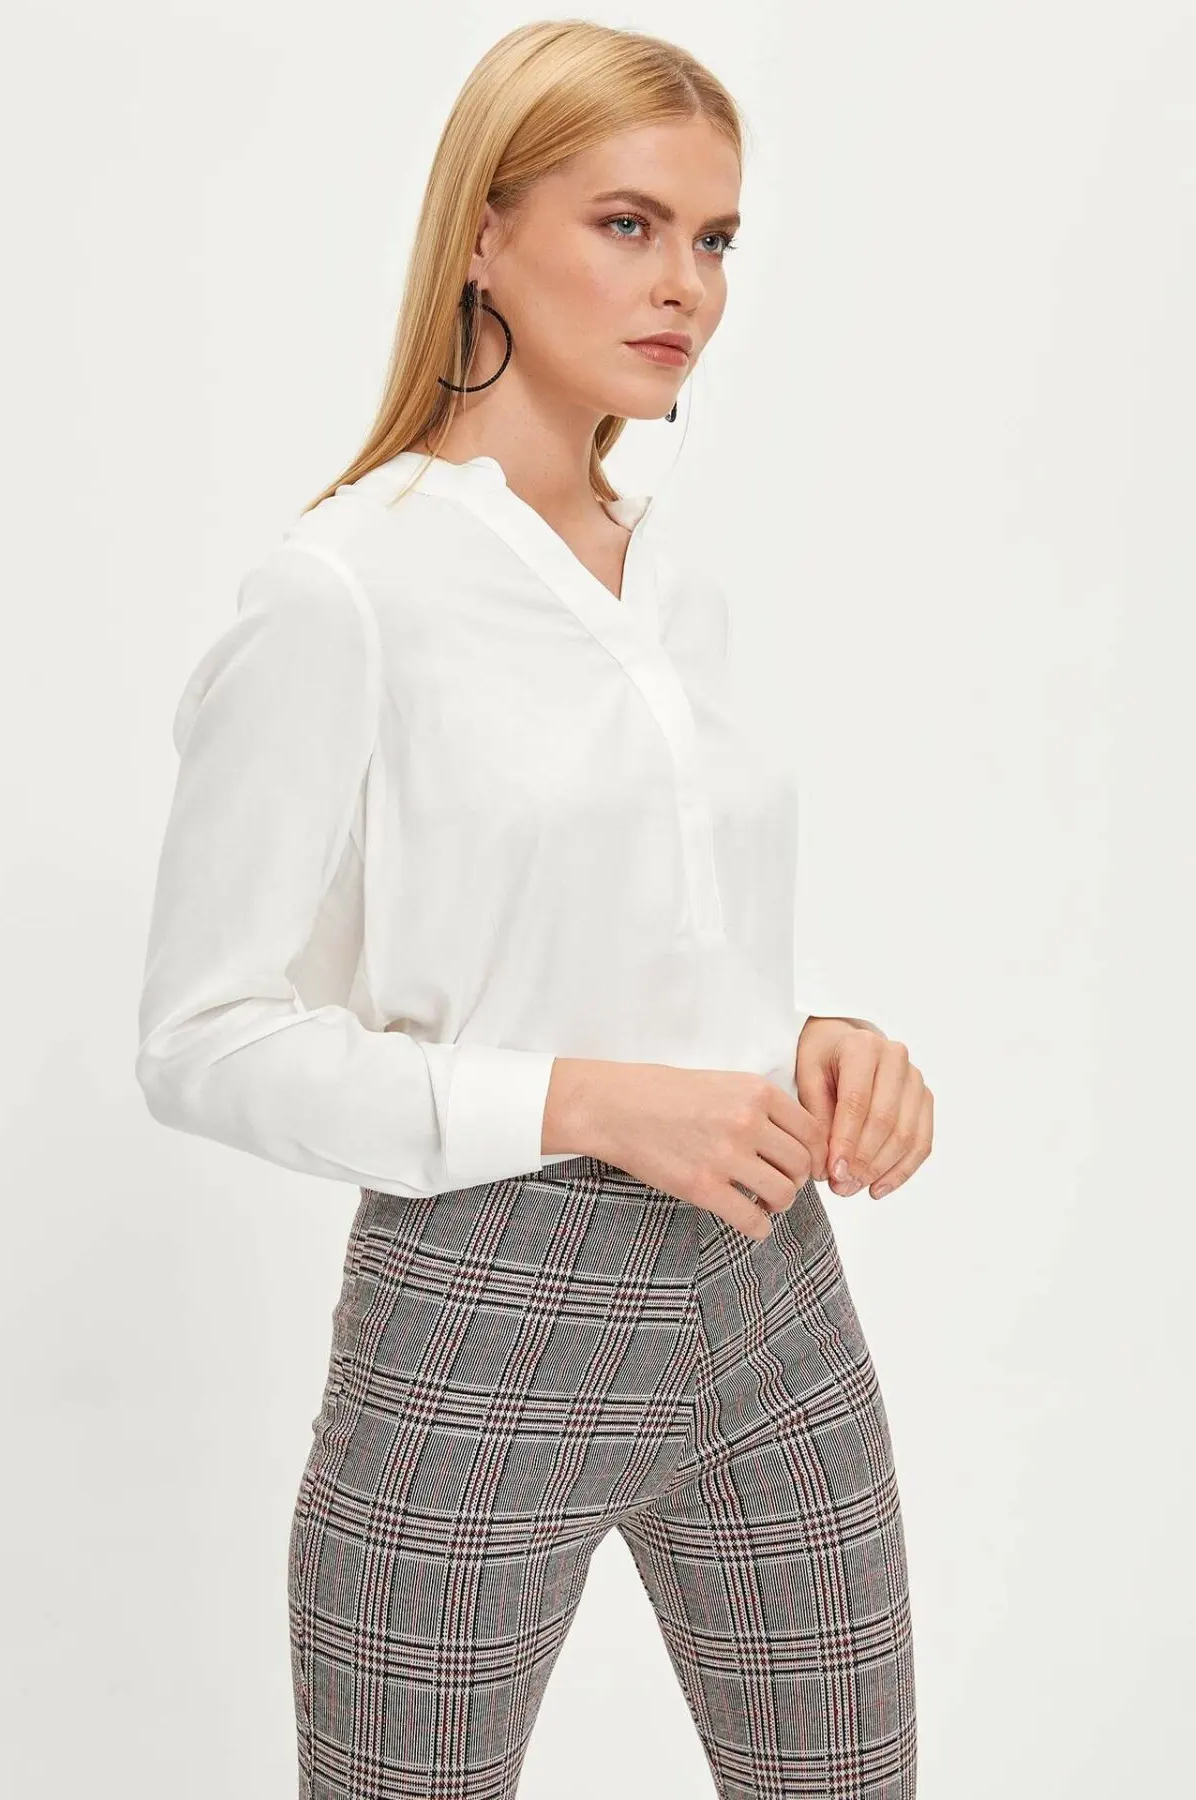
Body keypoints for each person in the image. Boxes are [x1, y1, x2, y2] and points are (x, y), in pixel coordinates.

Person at [134, 19, 931, 1798]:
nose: (686, 285)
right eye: (627, 224)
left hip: (772, 1292)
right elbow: (200, 1040)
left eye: (714, 238)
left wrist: (822, 1044)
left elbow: (648, 951)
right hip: (483, 1318)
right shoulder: (345, 590)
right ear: (485, 234)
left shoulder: (675, 588)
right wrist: (579, 1100)